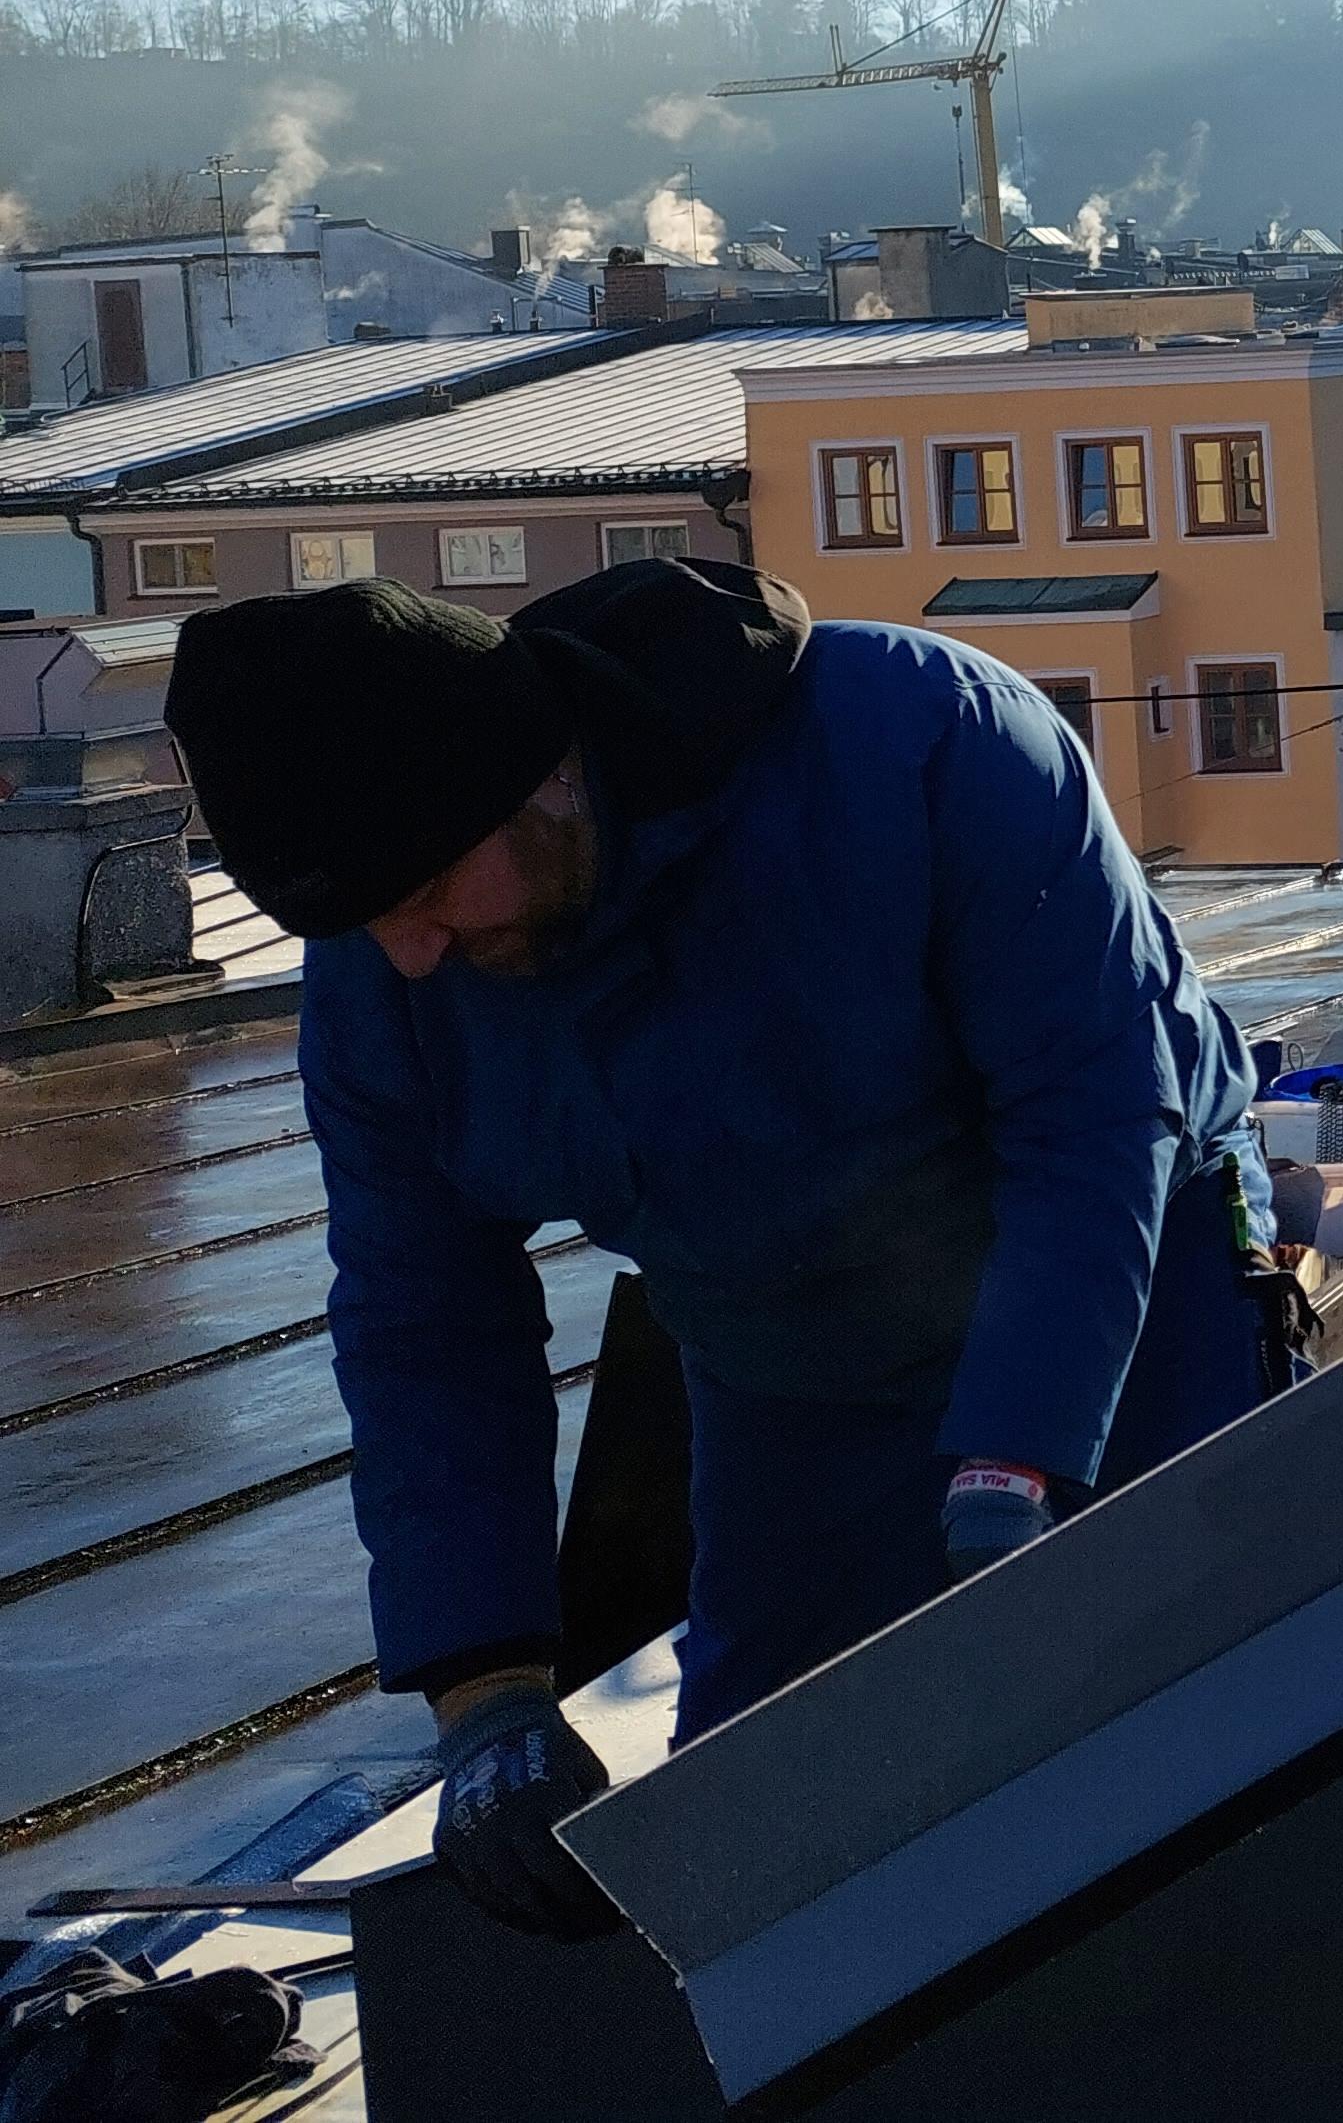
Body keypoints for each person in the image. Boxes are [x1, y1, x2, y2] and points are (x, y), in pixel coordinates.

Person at [162, 562, 1285, 1943]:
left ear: (544, 776)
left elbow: (1093, 1121)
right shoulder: (393, 964)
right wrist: (488, 1693)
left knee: (1178, 1762)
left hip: (1129, 1297)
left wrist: (1017, 1462)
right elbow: (424, 1315)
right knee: (767, 1838)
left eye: (433, 890)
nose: (411, 952)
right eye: (367, 923)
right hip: (785, 1369)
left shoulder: (919, 739)